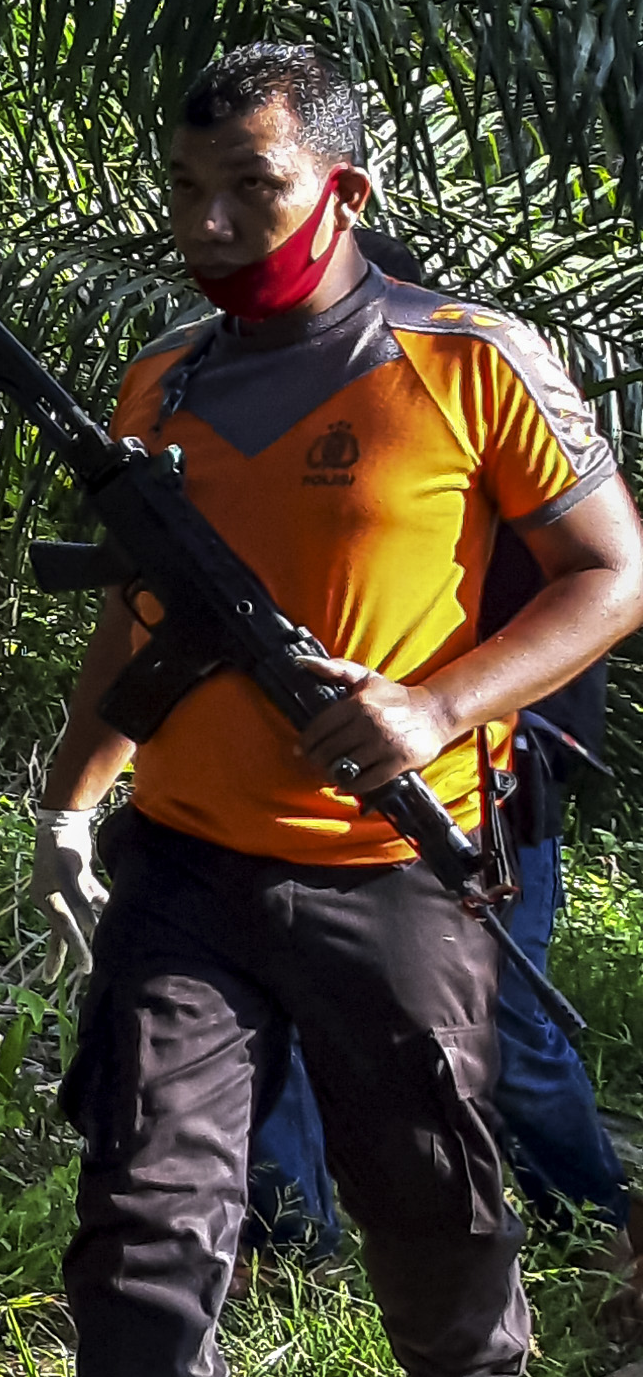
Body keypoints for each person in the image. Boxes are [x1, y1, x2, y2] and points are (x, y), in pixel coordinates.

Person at [27, 44, 643, 1377]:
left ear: (344, 188)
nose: (213, 220)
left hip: (397, 862)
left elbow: (611, 575)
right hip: (186, 863)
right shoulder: (162, 383)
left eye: (256, 185)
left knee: (419, 1170)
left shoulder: (470, 360)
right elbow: (141, 620)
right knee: (146, 1202)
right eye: (188, 190)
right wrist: (68, 798)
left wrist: (436, 704)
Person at [234, 534, 626, 1268]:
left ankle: (598, 1233)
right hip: (314, 750)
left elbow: (604, 581)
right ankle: (290, 1254)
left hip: (491, 761)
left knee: (501, 1013)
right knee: (266, 993)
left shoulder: (516, 431)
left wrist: (457, 716)